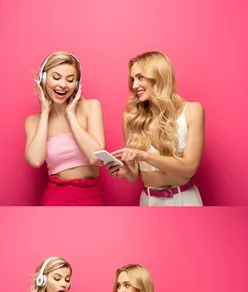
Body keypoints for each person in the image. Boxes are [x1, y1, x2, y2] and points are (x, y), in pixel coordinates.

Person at [106, 51, 204, 206]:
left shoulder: (192, 110)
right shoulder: (131, 118)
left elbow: (189, 168)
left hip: (185, 199)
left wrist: (145, 156)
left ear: (158, 76)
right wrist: (126, 172)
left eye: (140, 77)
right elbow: (134, 176)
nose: (134, 85)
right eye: (132, 79)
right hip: (149, 201)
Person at [24, 51, 105, 206]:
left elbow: (95, 156)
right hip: (54, 196)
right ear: (43, 78)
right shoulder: (33, 122)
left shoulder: (91, 107)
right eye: (56, 77)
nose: (62, 85)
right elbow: (35, 160)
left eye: (70, 80)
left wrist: (71, 115)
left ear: (77, 84)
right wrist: (45, 112)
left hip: (90, 195)